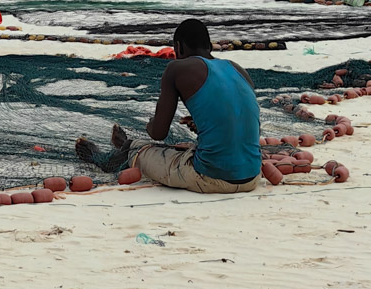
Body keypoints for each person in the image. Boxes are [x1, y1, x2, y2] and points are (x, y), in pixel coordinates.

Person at [75, 18, 261, 194]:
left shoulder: (176, 69)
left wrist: (151, 123)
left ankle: (119, 152)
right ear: (210, 46)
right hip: (252, 176)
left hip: (209, 177)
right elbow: (238, 117)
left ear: (178, 48)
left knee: (136, 148)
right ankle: (128, 147)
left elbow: (158, 133)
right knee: (184, 148)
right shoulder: (237, 69)